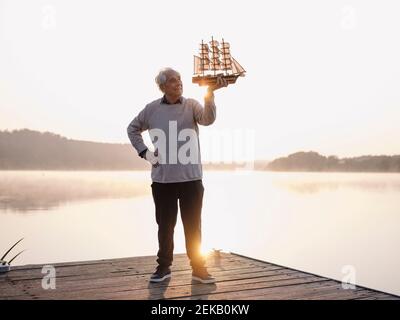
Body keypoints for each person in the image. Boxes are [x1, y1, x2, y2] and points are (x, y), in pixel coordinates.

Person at [127, 67, 227, 284]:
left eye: (180, 79)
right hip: (163, 181)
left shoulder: (191, 105)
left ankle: (198, 269)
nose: (178, 83)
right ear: (163, 86)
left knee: (193, 226)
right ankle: (163, 268)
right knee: (165, 226)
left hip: (191, 179)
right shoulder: (151, 109)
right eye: (173, 80)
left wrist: (210, 94)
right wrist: (145, 153)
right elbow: (132, 129)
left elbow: (208, 119)